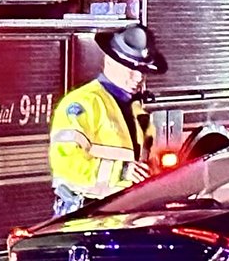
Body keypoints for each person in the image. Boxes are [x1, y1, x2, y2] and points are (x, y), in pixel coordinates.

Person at [49, 23, 168, 216]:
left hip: (126, 216)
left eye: (142, 70)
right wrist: (121, 172)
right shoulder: (81, 104)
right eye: (131, 68)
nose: (138, 77)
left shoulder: (138, 112)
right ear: (110, 62)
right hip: (86, 218)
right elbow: (65, 166)